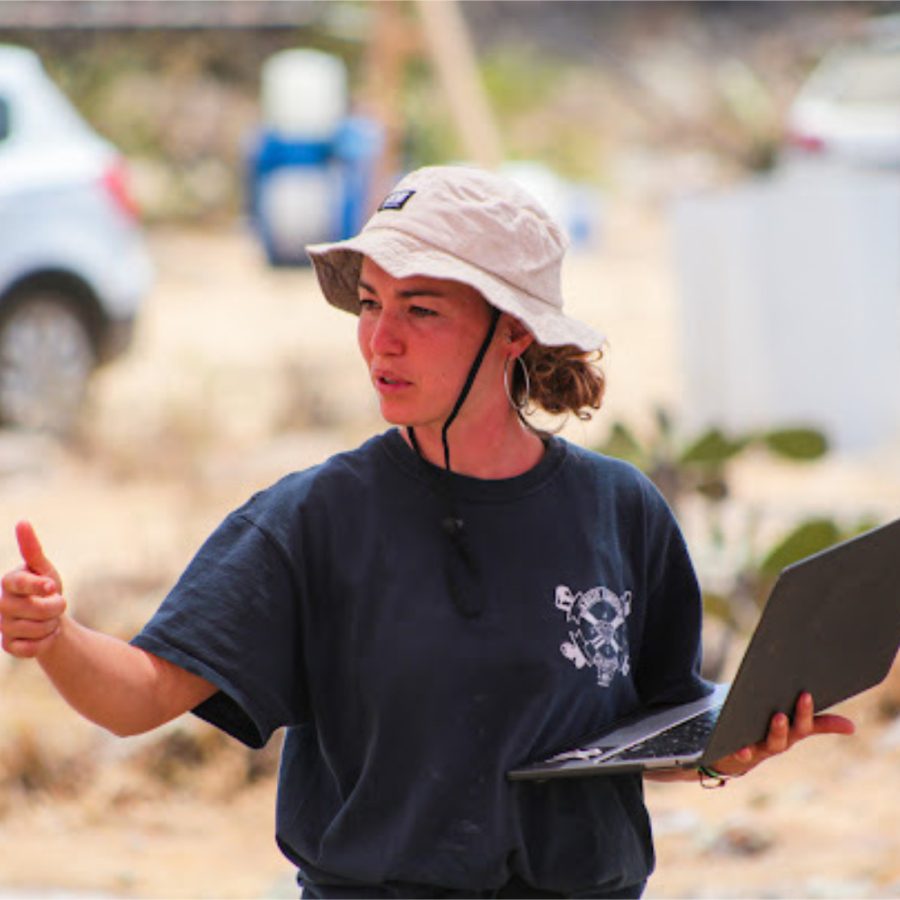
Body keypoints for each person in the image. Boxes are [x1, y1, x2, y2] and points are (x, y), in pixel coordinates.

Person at [0, 166, 854, 898]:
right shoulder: (312, 519)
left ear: (513, 328)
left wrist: (723, 753)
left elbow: (646, 735)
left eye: (422, 309)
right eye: (371, 304)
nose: (381, 340)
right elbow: (138, 697)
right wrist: (57, 637)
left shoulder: (621, 511)